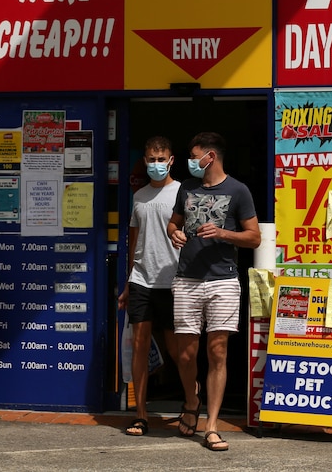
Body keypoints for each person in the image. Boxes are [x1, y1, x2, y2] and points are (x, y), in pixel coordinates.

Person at [167, 132, 261, 451]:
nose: (191, 162)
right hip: (187, 279)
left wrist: (222, 232)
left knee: (217, 350)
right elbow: (173, 223)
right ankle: (192, 400)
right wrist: (175, 234)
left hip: (222, 280)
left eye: (195, 157)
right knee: (185, 353)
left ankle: (211, 424)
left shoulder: (238, 190)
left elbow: (254, 237)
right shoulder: (186, 188)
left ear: (211, 156)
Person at [117, 136, 181, 437]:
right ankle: (141, 414)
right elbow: (133, 240)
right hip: (142, 279)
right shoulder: (139, 196)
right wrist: (129, 282)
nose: (156, 164)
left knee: (178, 349)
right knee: (140, 346)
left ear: (171, 160)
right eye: (151, 159)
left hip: (173, 281)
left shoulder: (183, 192)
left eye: (161, 159)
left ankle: (191, 403)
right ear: (145, 161)